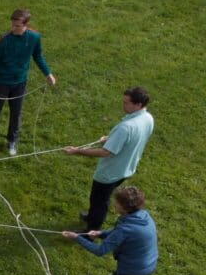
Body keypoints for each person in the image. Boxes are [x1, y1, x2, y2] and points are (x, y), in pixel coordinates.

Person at [63, 87, 154, 232]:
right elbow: (131, 140)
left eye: (126, 103)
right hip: (126, 168)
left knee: (99, 201)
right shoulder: (148, 118)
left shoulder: (126, 127)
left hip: (110, 172)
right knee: (101, 198)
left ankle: (91, 230)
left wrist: (77, 151)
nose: (122, 105)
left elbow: (105, 153)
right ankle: (92, 216)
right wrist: (112, 140)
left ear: (138, 105)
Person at [0, 8, 56, 156]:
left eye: (17, 26)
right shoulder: (4, 40)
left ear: (26, 24)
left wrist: (48, 74)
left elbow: (38, 56)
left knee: (16, 113)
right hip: (2, 82)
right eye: (12, 25)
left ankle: (12, 140)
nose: (13, 29)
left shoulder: (34, 38)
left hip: (20, 83)